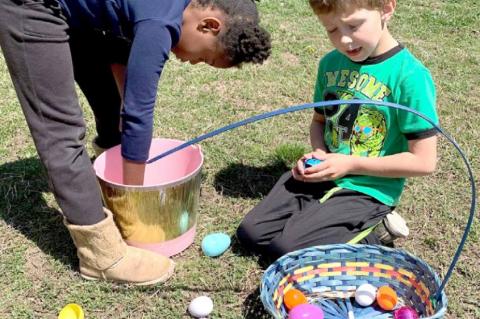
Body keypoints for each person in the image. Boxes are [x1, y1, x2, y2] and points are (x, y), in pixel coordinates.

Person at [0, 0, 271, 285]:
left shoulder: (163, 10)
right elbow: (138, 113)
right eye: (204, 58)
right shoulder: (160, 23)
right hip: (32, 5)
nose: (193, 62)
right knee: (60, 131)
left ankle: (108, 183)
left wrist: (123, 128)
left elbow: (120, 59)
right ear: (208, 25)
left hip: (79, 20)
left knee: (111, 106)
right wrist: (136, 199)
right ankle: (101, 255)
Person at [236, 0, 439, 261]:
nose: (343, 40)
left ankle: (377, 230)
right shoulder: (330, 64)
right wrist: (319, 153)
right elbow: (319, 122)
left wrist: (349, 163)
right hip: (325, 172)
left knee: (284, 251)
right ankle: (318, 215)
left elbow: (424, 162)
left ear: (386, 9)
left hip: (367, 189)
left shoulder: (410, 77)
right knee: (251, 234)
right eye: (331, 29)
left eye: (354, 25)